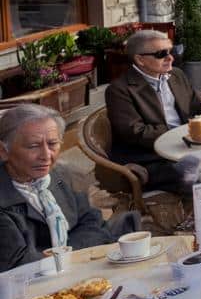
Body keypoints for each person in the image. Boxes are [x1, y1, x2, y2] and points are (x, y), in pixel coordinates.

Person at [0, 104, 119, 271]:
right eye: (33, 146)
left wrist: (65, 255)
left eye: (52, 144)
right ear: (3, 151)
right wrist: (73, 255)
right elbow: (19, 265)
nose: (46, 155)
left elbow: (95, 224)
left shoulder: (61, 176)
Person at [104, 30, 201, 192]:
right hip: (151, 158)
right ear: (140, 59)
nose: (170, 58)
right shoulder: (119, 90)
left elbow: (195, 111)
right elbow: (135, 132)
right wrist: (181, 134)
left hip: (187, 146)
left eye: (172, 51)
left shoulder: (177, 75)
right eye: (161, 54)